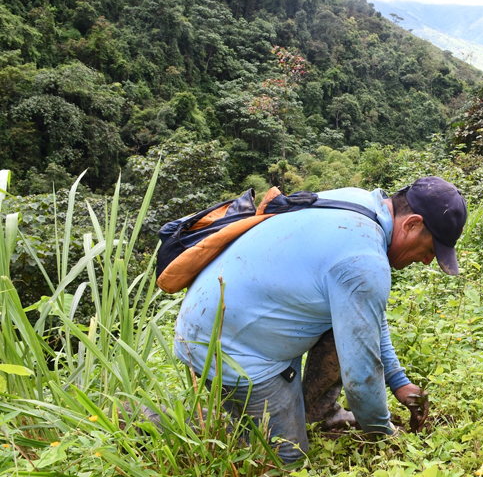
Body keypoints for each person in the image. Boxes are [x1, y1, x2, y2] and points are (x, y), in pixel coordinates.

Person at [173, 176, 467, 464]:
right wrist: (384, 435)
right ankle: (162, 422)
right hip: (228, 345)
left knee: (352, 326)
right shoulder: (364, 259)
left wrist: (398, 381)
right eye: (430, 250)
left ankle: (320, 414)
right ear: (411, 224)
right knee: (287, 458)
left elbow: (366, 316)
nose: (427, 260)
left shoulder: (361, 202)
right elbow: (361, 380)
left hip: (230, 314)